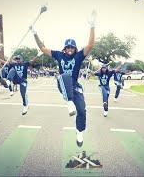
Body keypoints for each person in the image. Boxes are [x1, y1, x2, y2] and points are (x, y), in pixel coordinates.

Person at [32, 10, 96, 147]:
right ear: (65, 48)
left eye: (72, 47)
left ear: (75, 48)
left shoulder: (79, 56)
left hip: (75, 86)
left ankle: (79, 132)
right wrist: (35, 34)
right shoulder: (58, 55)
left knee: (82, 110)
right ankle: (69, 102)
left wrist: (92, 26)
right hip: (63, 83)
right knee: (64, 76)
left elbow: (90, 45)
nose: (70, 49)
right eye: (68, 47)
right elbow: (43, 48)